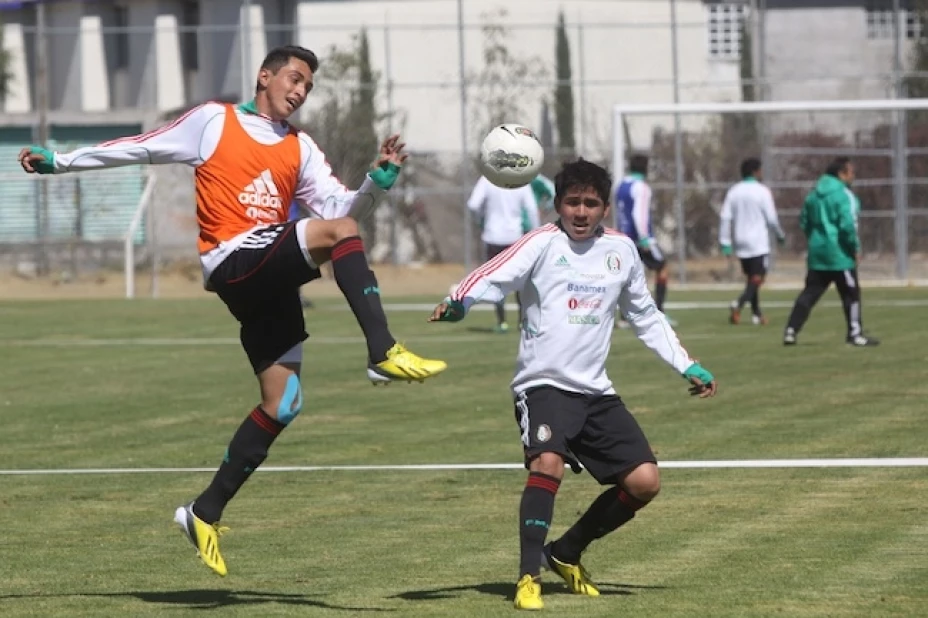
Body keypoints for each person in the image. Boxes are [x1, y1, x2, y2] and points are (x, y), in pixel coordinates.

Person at [18, 44, 448, 577]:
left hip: (268, 276)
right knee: (339, 235)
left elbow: (342, 212)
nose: (300, 91)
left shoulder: (300, 147)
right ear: (264, 76)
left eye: (308, 86)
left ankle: (203, 512)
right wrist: (61, 161)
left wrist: (375, 185)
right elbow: (141, 147)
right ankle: (382, 349)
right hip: (233, 258)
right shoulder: (213, 121)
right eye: (294, 78)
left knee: (283, 402)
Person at [430, 158, 718, 611]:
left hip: (595, 391)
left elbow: (645, 316)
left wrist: (687, 365)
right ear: (558, 204)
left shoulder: (621, 250)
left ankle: (565, 552)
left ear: (604, 208)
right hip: (542, 384)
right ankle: (528, 577)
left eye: (590, 203)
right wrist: (458, 301)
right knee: (548, 464)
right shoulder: (541, 243)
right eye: (572, 202)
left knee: (644, 482)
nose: (580, 212)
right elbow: (494, 275)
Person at [783, 157, 878, 347]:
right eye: (851, 172)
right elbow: (847, 225)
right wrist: (854, 248)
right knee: (851, 293)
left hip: (817, 253)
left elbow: (804, 222)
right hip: (839, 254)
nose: (853, 176)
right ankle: (855, 334)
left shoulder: (813, 195)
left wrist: (816, 240)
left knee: (810, 293)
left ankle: (791, 330)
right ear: (841, 173)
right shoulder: (843, 195)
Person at [466, 174, 540, 333]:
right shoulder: (520, 179)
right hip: (515, 237)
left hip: (493, 236)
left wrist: (480, 219)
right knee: (520, 280)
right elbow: (532, 209)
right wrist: (536, 233)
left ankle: (502, 322)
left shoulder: (487, 178)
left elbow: (473, 204)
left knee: (496, 281)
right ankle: (521, 321)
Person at [719, 157, 786, 326]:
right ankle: (739, 303)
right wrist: (780, 234)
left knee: (752, 278)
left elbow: (725, 216)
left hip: (740, 241)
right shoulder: (762, 191)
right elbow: (771, 218)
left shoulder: (734, 191)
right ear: (756, 172)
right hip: (758, 242)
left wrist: (725, 241)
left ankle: (757, 314)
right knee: (758, 277)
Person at [615, 153, 675, 325]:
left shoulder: (621, 186)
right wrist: (644, 238)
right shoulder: (641, 187)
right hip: (639, 238)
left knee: (629, 277)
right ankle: (659, 312)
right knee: (662, 267)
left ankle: (625, 317)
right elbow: (638, 214)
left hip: (623, 237)